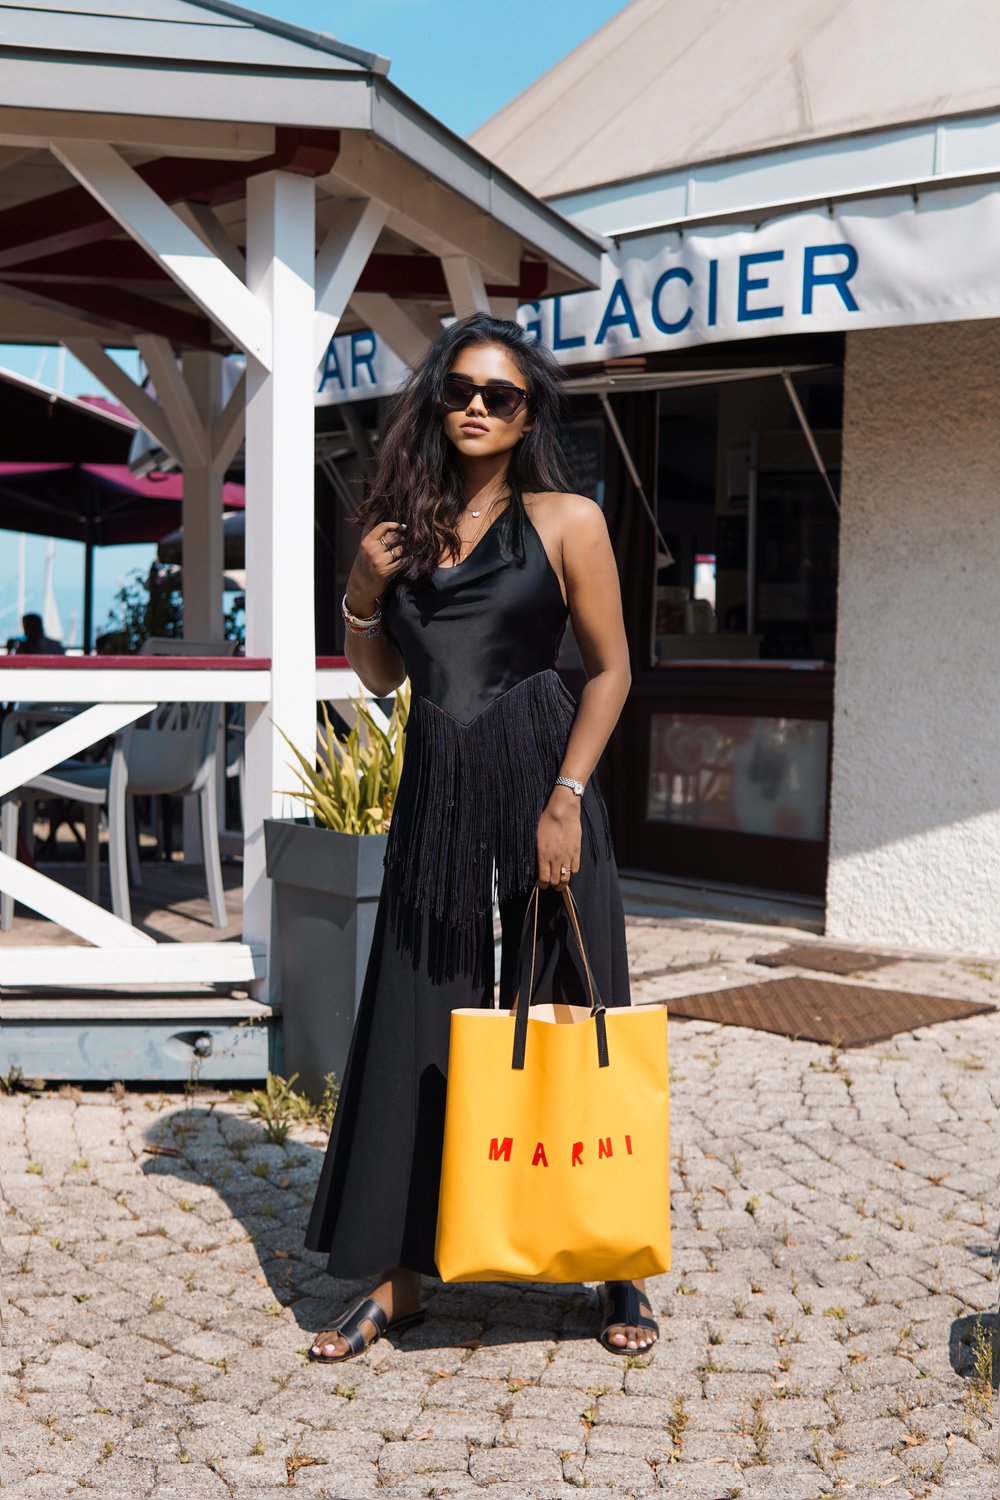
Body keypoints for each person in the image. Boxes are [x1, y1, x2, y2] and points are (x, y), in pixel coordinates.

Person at [304, 314, 660, 1362]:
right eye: (460, 388)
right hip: (440, 786)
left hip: (544, 772)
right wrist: (363, 595)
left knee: (569, 1003)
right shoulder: (396, 527)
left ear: (527, 415)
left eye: (499, 396)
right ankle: (395, 1278)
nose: (475, 406)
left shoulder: (565, 518)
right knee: (415, 1009)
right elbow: (380, 677)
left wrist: (565, 796)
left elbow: (611, 671)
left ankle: (615, 1269)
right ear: (435, 400)